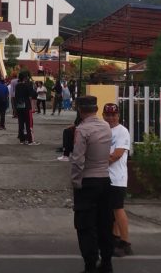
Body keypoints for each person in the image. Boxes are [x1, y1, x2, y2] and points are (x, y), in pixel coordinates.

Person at [71, 96, 114, 273]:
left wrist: (75, 181)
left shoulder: (82, 130)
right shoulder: (106, 126)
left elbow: (78, 160)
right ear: (96, 109)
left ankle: (90, 265)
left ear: (80, 110)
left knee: (85, 226)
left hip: (87, 181)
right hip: (105, 180)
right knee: (104, 224)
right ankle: (106, 263)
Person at [102, 103, 133, 257]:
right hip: (106, 177)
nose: (111, 118)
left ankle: (125, 242)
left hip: (117, 178)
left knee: (118, 209)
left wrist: (96, 161)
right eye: (108, 115)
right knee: (112, 210)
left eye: (114, 115)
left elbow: (116, 155)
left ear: (118, 116)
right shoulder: (104, 130)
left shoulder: (122, 132)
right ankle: (114, 238)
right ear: (103, 115)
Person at [15, 72, 38, 145]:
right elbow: (33, 94)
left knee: (21, 123)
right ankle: (30, 140)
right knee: (28, 123)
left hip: (19, 105)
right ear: (25, 78)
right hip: (26, 106)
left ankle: (22, 139)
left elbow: (16, 95)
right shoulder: (27, 85)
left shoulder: (17, 86)